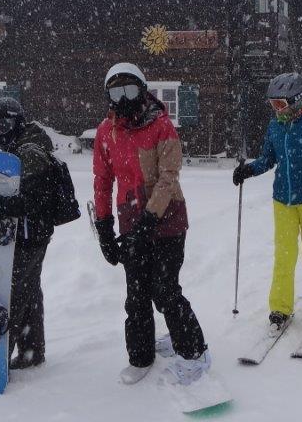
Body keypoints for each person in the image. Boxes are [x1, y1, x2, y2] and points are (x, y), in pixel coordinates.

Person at [92, 62, 210, 386]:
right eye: (116, 93)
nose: (124, 99)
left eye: (130, 91)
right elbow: (102, 181)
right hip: (130, 220)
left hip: (167, 218)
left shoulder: (161, 126)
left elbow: (169, 176)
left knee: (165, 289)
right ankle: (140, 355)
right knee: (137, 293)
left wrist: (149, 218)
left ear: (142, 92)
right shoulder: (106, 132)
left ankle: (195, 352)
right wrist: (104, 227)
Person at [233, 72, 302, 330]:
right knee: (284, 256)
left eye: (280, 104)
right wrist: (249, 169)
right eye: (273, 104)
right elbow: (268, 159)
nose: (276, 109)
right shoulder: (275, 126)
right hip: (283, 200)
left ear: (297, 100)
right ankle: (280, 307)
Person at [0, 97, 63, 369]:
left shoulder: (29, 152)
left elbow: (31, 202)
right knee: (28, 291)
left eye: (3, 125)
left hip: (31, 234)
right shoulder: (21, 147)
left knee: (10, 295)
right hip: (32, 233)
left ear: (17, 121)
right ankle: (32, 351)